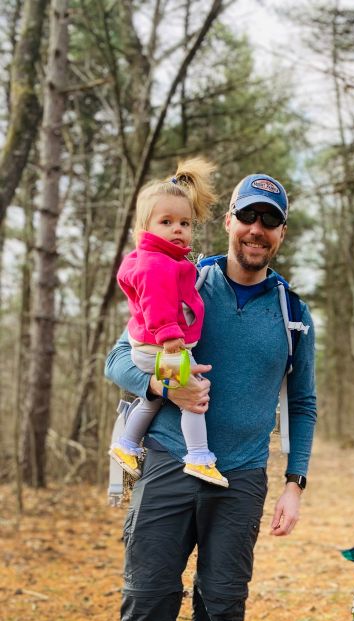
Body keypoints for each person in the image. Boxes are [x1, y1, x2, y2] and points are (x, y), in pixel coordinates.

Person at [93, 173, 317, 621]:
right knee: (147, 596)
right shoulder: (183, 277)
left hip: (241, 476)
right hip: (168, 457)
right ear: (229, 222)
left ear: (280, 233)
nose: (257, 231)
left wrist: (295, 482)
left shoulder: (292, 313)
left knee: (223, 602)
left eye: (270, 222)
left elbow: (302, 404)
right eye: (249, 217)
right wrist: (166, 385)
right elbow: (120, 359)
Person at [109, 157, 228, 488]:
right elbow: (156, 303)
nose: (178, 229)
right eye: (167, 222)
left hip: (154, 346)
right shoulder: (157, 264)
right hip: (161, 346)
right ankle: (199, 455)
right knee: (194, 395)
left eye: (185, 223)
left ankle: (128, 443)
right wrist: (171, 339)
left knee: (158, 396)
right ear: (145, 228)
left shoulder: (165, 260)